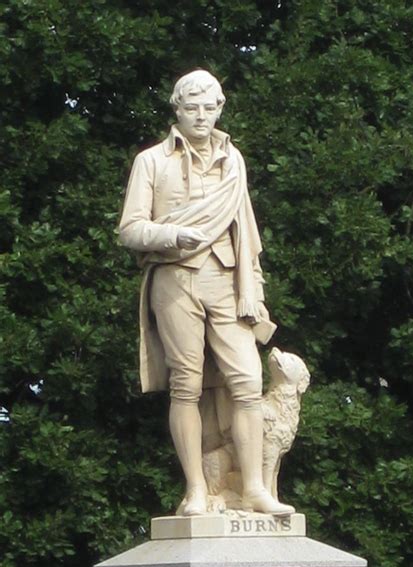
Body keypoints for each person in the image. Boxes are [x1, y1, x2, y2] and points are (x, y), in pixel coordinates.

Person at [119, 69, 294, 517]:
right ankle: (196, 489)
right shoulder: (152, 161)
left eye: (209, 107)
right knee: (187, 385)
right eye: (192, 107)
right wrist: (173, 236)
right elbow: (130, 229)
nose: (201, 116)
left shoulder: (234, 162)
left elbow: (246, 230)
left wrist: (253, 287)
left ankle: (255, 488)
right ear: (176, 109)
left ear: (220, 108)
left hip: (228, 280)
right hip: (175, 279)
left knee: (249, 381)